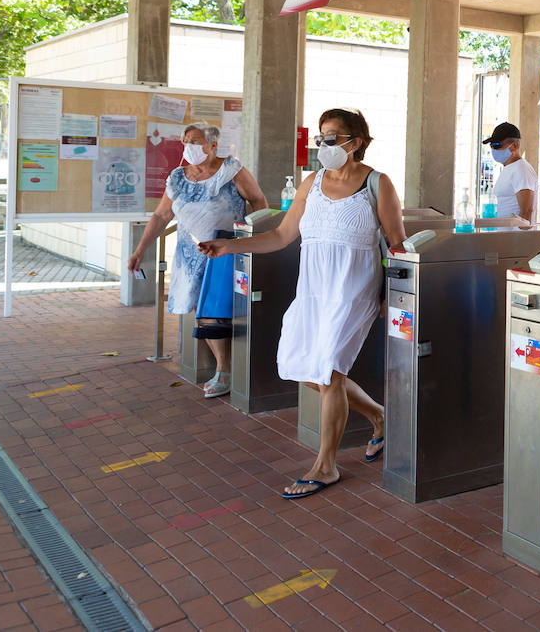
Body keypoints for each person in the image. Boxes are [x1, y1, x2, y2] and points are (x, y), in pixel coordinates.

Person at [200, 108, 405, 499]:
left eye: (332, 137)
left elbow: (397, 245)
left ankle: (325, 466)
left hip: (353, 290)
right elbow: (281, 235)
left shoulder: (377, 183)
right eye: (321, 136)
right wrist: (230, 246)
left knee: (329, 374)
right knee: (304, 367)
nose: (323, 144)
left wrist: (390, 296)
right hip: (312, 290)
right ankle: (379, 416)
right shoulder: (312, 182)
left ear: (355, 142)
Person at [127, 124, 266, 399]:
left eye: (194, 140)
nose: (188, 146)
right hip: (189, 256)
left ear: (213, 145)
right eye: (185, 141)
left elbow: (258, 201)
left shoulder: (231, 170)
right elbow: (161, 216)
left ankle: (224, 370)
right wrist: (140, 250)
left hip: (225, 252)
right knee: (197, 307)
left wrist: (251, 237)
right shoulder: (178, 177)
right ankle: (220, 366)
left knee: (215, 310)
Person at [483, 121, 536, 225]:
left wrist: (517, 235)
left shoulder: (521, 169)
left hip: (514, 235)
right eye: (491, 145)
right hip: (504, 234)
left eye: (497, 145)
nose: (493, 149)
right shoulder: (509, 168)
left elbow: (527, 212)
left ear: (515, 145)